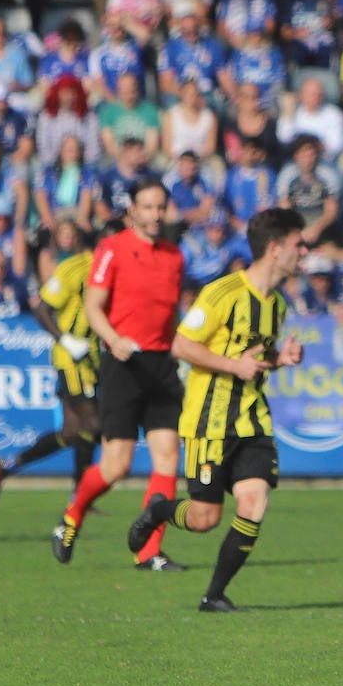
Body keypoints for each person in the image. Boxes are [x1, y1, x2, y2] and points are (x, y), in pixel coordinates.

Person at [127, 207, 308, 612]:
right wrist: (234, 365)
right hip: (209, 421)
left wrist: (282, 358)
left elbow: (254, 356)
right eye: (299, 244)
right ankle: (159, 509)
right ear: (275, 249)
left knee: (254, 501)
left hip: (253, 420)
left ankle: (214, 594)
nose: (305, 251)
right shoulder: (223, 293)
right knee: (205, 518)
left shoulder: (276, 304)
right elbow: (181, 344)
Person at [55, 180, 184, 572]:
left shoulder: (175, 256)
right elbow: (94, 307)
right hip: (123, 364)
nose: (156, 215)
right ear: (133, 212)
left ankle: (149, 551)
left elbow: (170, 314)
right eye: (147, 207)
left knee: (167, 458)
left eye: (161, 207)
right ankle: (72, 516)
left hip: (162, 365)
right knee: (116, 465)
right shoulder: (112, 249)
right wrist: (114, 339)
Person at [0, 227, 99, 504]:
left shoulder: (115, 272)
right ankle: (80, 497)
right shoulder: (75, 269)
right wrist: (67, 340)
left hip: (94, 358)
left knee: (72, 431)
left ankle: (8, 465)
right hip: (73, 358)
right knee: (93, 424)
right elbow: (41, 307)